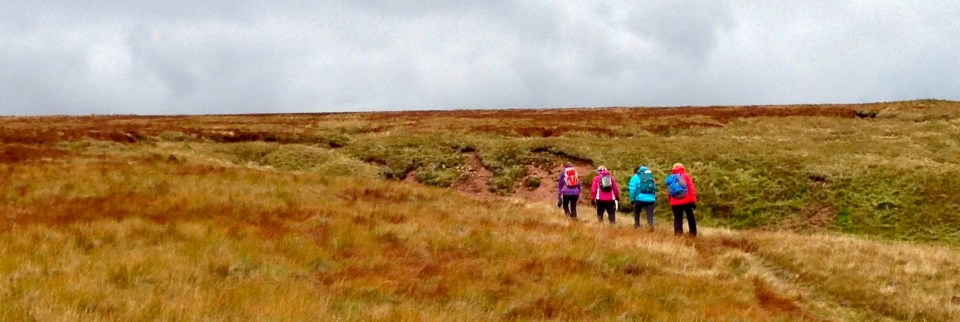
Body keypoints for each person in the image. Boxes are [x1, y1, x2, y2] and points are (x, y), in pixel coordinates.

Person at [666, 163, 697, 236]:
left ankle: (678, 235)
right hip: (687, 201)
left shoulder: (670, 178)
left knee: (677, 219)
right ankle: (692, 234)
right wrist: (693, 201)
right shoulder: (685, 176)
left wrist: (670, 201)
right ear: (682, 168)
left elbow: (668, 191)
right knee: (690, 218)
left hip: (675, 202)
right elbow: (691, 189)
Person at [628, 165, 656, 231]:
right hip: (651, 198)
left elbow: (632, 190)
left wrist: (632, 199)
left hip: (639, 198)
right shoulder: (651, 177)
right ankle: (651, 226)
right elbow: (654, 188)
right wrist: (653, 197)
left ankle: (637, 225)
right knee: (650, 214)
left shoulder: (635, 177)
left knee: (636, 212)